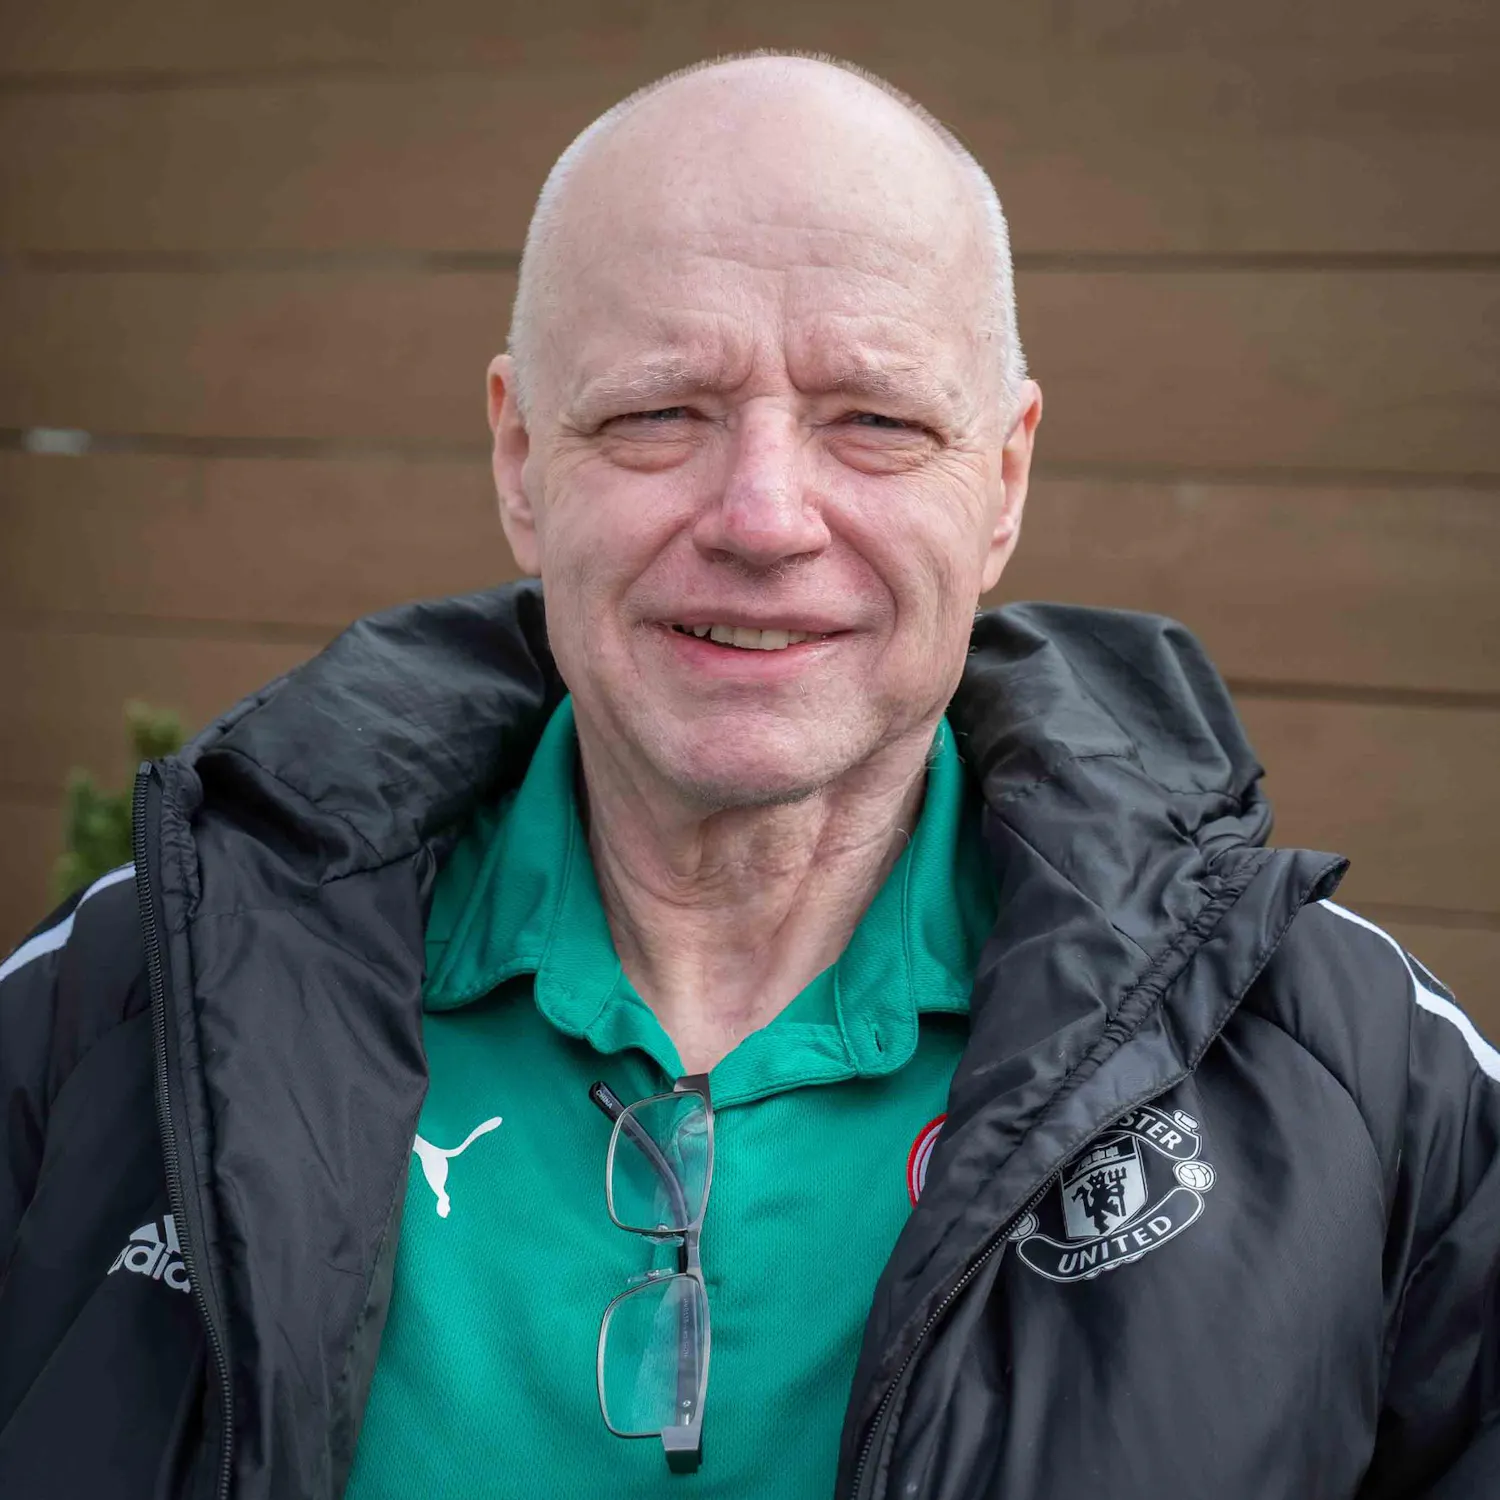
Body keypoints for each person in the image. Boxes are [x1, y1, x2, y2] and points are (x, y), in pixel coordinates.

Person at [0, 51, 1495, 1500]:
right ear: (520, 460)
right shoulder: (116, 1013)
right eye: (659, 412)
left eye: (878, 422)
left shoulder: (1351, 1069)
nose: (767, 517)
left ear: (1004, 480)